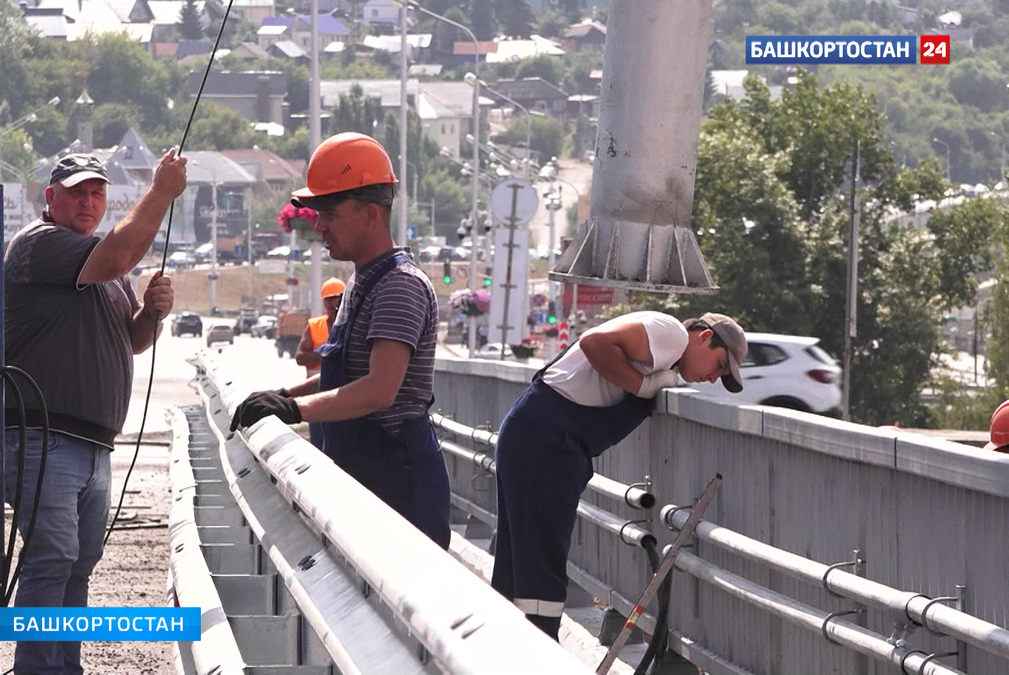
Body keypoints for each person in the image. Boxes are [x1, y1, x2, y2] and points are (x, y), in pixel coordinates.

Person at [3, 150, 186, 675]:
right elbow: (123, 252)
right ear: (51, 198)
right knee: (52, 557)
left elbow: (130, 342)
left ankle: (64, 666)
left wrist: (150, 313)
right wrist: (160, 193)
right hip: (45, 436)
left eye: (97, 193)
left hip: (92, 444)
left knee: (79, 563)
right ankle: (38, 669)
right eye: (77, 192)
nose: (88, 201)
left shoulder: (100, 266)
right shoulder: (42, 245)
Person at [230, 132, 450, 548]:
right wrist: (281, 394)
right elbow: (345, 375)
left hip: (399, 491)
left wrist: (294, 408)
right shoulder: (360, 283)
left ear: (370, 213)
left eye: (329, 213)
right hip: (366, 481)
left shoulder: (399, 287)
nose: (319, 225)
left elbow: (378, 390)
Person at [491, 310, 747, 639]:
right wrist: (643, 386)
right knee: (541, 567)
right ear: (705, 337)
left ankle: (506, 651)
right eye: (720, 365)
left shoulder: (666, 354)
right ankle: (538, 654)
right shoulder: (673, 335)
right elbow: (594, 342)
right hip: (546, 445)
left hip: (536, 437)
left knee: (519, 564)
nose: (714, 378)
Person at [296, 277, 346, 447]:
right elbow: (300, 357)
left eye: (337, 298)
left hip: (345, 397)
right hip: (316, 398)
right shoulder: (314, 326)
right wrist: (328, 355)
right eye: (329, 299)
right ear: (324, 302)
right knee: (319, 445)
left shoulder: (353, 325)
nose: (333, 304)